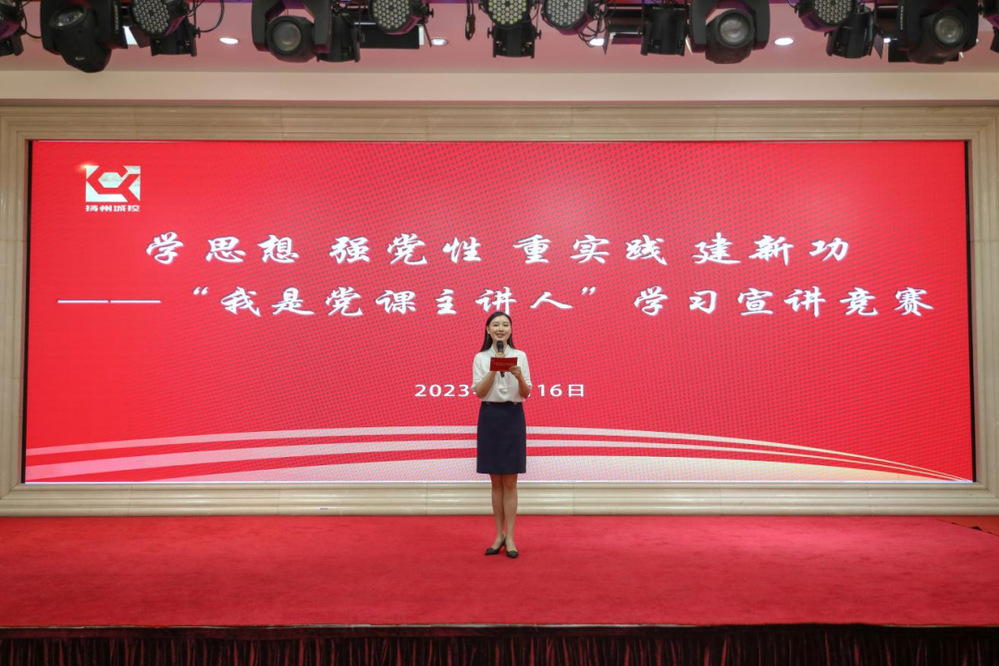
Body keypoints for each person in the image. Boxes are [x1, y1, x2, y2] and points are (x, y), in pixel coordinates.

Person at [472, 311, 532, 559]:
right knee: (495, 482)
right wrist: (494, 368)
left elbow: (526, 392)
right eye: (495, 324)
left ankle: (511, 537)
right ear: (488, 330)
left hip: (513, 417)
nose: (500, 328)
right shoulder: (481, 357)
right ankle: (498, 535)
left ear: (511, 330)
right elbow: (479, 392)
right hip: (490, 417)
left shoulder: (521, 356)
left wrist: (518, 376)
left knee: (511, 482)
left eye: (505, 325)